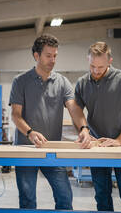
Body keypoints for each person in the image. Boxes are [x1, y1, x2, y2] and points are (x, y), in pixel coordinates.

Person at [9, 34, 91, 210]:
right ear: (36, 55)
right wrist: (30, 133)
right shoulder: (20, 81)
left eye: (55, 56)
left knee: (65, 197)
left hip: (53, 148)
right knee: (27, 199)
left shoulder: (62, 82)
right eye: (48, 55)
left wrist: (83, 128)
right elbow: (16, 115)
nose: (53, 60)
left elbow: (74, 108)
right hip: (26, 148)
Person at [74, 41, 121, 212]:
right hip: (96, 145)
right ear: (87, 60)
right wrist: (84, 130)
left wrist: (119, 140)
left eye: (101, 67)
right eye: (92, 66)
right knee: (102, 196)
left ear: (110, 61)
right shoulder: (82, 83)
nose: (96, 71)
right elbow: (76, 110)